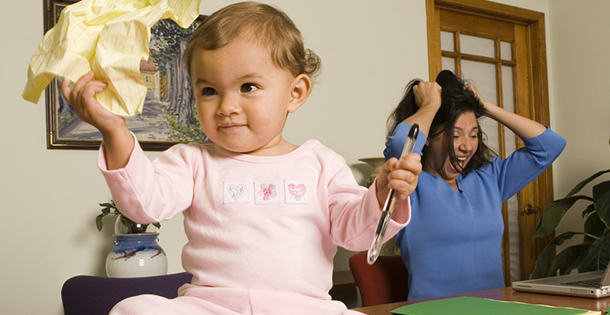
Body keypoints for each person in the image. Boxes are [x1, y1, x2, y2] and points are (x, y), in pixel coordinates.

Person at [61, 2, 421, 314]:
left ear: (295, 92)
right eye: (209, 90)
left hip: (302, 308)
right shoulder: (192, 161)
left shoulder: (321, 164)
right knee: (132, 309)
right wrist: (114, 132)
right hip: (210, 307)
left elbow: (355, 233)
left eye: (248, 87)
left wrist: (381, 194)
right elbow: (144, 205)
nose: (227, 107)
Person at [384, 70, 566, 300]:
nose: (466, 146)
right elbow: (402, 143)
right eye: (456, 134)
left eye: (473, 134)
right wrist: (430, 104)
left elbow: (551, 145)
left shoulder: (490, 179)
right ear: (428, 135)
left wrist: (486, 107)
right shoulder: (409, 185)